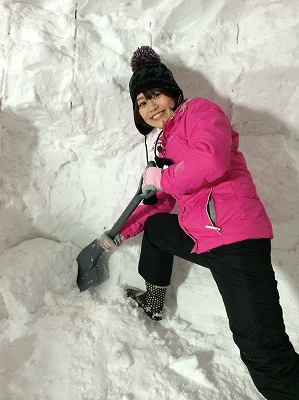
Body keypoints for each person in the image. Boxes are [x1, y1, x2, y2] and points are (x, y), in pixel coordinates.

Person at [99, 46, 299, 399]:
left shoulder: (201, 112)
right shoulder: (165, 142)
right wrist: (120, 233)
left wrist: (161, 177)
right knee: (160, 228)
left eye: (155, 94)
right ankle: (154, 300)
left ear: (172, 92)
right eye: (142, 102)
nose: (151, 106)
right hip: (205, 234)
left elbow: (212, 162)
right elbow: (157, 201)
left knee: (262, 348)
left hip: (235, 236)